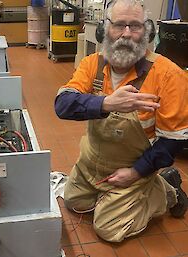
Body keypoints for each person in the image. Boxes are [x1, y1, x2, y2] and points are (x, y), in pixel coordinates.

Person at [55, 0, 188, 242]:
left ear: (147, 32)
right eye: (119, 25)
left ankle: (167, 191)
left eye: (135, 26)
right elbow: (62, 105)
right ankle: (115, 196)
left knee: (108, 230)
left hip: (132, 166)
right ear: (105, 29)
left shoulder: (169, 75)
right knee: (74, 202)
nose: (126, 34)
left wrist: (136, 172)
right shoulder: (92, 64)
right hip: (90, 164)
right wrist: (106, 103)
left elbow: (173, 141)